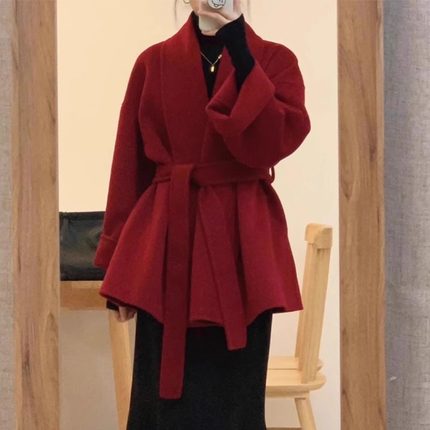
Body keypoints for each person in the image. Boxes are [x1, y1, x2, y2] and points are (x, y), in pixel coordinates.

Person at [94, 0, 311, 428]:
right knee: (161, 402)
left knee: (236, 401)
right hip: (168, 243)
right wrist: (117, 266)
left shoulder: (275, 60)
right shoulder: (152, 63)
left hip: (243, 248)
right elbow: (130, 165)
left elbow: (273, 143)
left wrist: (240, 50)